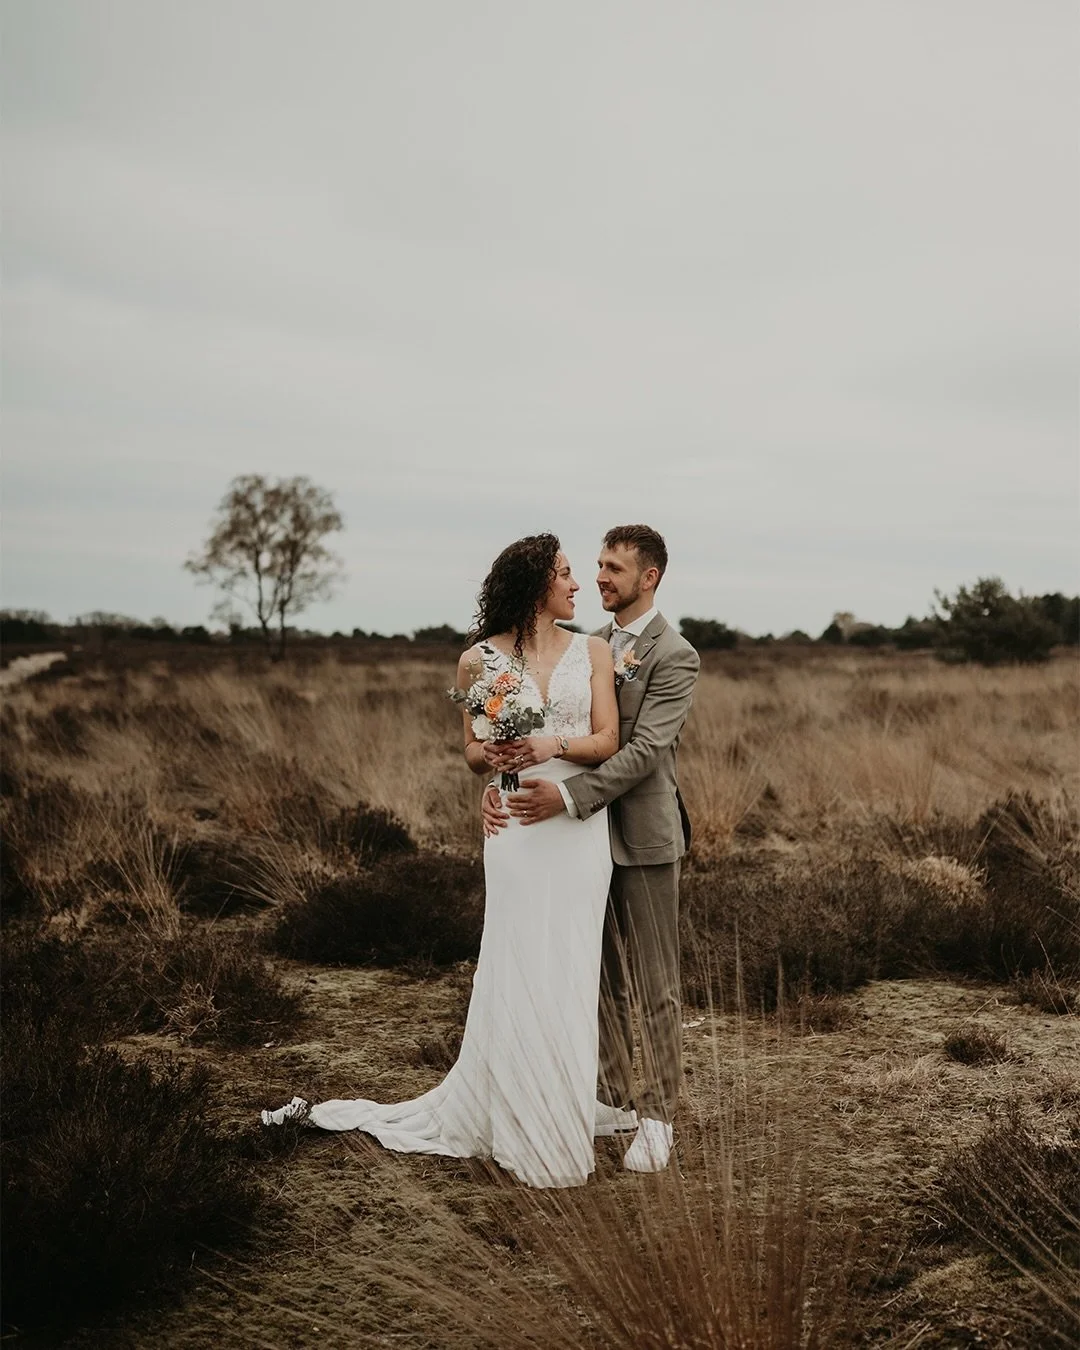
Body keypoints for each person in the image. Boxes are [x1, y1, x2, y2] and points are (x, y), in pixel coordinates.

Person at [262, 533, 620, 1189]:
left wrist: (549, 746)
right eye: (566, 574)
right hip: (513, 827)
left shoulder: (594, 651)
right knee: (517, 962)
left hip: (576, 826)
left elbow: (607, 740)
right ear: (534, 584)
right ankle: (516, 1112)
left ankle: (560, 1109)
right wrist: (495, 760)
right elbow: (473, 753)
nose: (578, 585)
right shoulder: (477, 661)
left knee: (569, 964)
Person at [483, 524, 700, 1173]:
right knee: (596, 974)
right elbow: (541, 728)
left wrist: (571, 797)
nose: (599, 577)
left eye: (613, 568)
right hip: (578, 842)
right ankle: (611, 1097)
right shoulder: (588, 645)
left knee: (655, 982)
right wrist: (500, 786)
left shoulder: (676, 654)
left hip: (641, 836)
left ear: (649, 577)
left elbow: (645, 750)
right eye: (597, 565)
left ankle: (658, 1117)